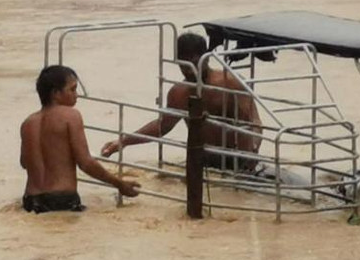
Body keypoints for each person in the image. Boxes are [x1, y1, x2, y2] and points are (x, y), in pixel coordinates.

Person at [101, 33, 262, 170]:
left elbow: (254, 122)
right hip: (203, 159)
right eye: (184, 64)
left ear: (206, 58)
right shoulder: (179, 93)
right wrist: (123, 141)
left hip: (239, 158)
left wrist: (253, 150)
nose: (189, 70)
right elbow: (163, 125)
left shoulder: (230, 83)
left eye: (194, 62)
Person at [20, 65, 140, 214]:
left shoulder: (28, 123)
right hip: (62, 199)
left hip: (30, 200)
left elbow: (24, 163)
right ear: (56, 93)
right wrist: (119, 184)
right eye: (72, 89)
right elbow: (86, 163)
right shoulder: (71, 116)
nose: (76, 95)